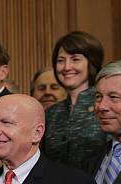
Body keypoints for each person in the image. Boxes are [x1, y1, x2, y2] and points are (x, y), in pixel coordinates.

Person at [43, 31, 108, 168]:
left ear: (91, 63)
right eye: (61, 61)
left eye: (75, 59)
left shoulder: (104, 105)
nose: (67, 67)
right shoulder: (51, 113)